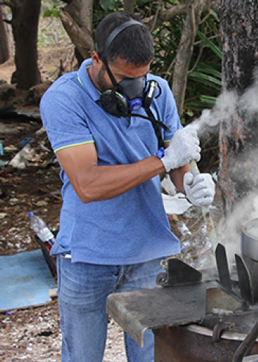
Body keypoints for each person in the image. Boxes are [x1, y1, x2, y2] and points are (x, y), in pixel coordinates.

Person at [39, 12, 215, 362]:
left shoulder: (158, 90)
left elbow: (177, 156)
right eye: (123, 78)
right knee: (83, 356)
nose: (134, 88)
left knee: (150, 355)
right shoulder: (63, 100)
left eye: (141, 76)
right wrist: (163, 163)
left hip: (146, 251)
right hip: (89, 253)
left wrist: (191, 182)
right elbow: (87, 184)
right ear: (96, 59)